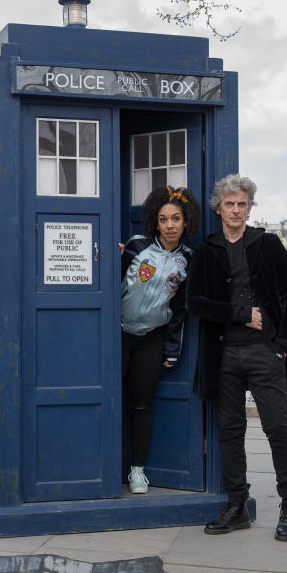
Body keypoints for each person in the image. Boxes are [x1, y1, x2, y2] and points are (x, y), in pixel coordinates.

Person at [186, 174, 287, 542]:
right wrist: (239, 313)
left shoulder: (267, 244)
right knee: (231, 432)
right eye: (230, 204)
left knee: (277, 427)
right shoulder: (206, 251)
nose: (236, 211)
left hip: (264, 351)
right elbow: (195, 303)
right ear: (218, 208)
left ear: (249, 208)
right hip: (224, 353)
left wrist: (281, 342)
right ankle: (237, 505)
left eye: (242, 204)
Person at [119, 185, 201, 494]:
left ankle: (137, 470)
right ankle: (102, 465)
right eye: (164, 219)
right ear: (156, 221)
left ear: (185, 222)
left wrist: (172, 350)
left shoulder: (188, 260)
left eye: (176, 219)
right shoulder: (136, 247)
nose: (170, 225)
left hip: (151, 341)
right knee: (110, 401)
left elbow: (179, 310)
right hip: (118, 337)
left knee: (142, 407)